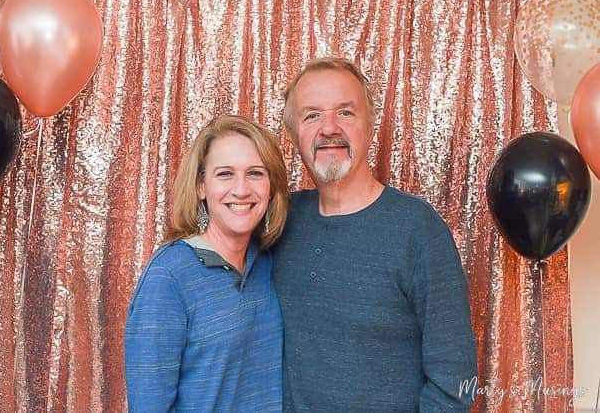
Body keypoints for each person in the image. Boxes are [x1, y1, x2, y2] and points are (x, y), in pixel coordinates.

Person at [272, 58, 478, 412]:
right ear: (294, 136)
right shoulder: (279, 220)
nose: (329, 128)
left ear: (370, 127)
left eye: (345, 112)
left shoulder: (418, 230)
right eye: (311, 116)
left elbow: (455, 381)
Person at [125, 115, 289, 412]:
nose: (241, 189)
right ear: (201, 186)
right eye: (225, 174)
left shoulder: (266, 261)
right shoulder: (169, 277)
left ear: (271, 186)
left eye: (255, 173)